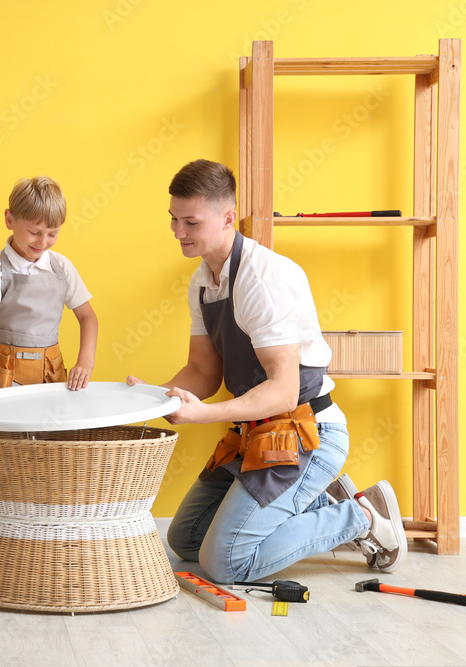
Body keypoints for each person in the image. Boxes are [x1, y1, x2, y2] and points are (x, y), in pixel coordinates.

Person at [127, 159, 407, 584]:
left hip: (306, 434)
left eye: (190, 222)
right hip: (257, 437)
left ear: (226, 218)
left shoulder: (261, 279)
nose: (178, 232)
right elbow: (202, 372)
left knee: (225, 564)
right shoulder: (204, 281)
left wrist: (201, 414)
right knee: (186, 539)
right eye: (173, 220)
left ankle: (361, 515)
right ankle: (320, 501)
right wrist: (146, 396)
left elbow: (281, 391)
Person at [0, 175, 98, 403]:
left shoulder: (61, 267)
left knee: (49, 434)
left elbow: (88, 317)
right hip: (5, 373)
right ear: (10, 220)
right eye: (34, 232)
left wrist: (85, 362)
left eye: (52, 234)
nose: (42, 242)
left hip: (50, 374)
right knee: (5, 433)